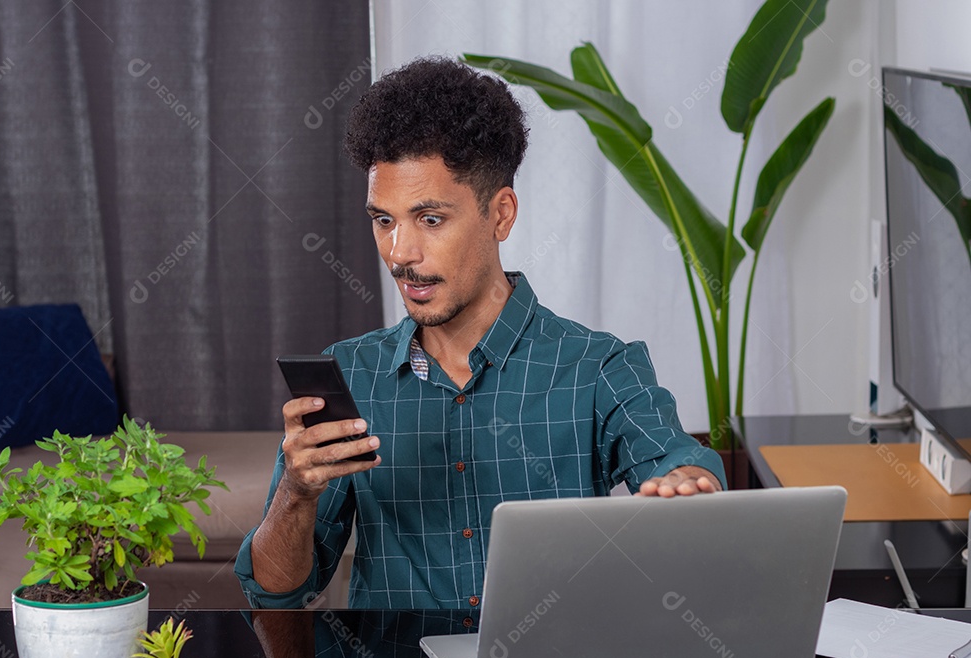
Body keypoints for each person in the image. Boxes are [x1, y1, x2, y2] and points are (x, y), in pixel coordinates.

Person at [235, 57, 725, 610]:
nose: (400, 254)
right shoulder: (351, 377)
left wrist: (686, 481)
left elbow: (672, 458)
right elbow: (275, 594)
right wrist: (296, 493)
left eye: (430, 219)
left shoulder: (598, 367)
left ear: (501, 214)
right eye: (384, 220)